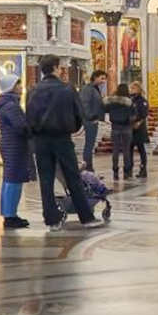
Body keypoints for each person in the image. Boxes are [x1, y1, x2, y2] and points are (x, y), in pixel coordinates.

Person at [26, 54, 104, 232]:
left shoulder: (33, 90)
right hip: (61, 137)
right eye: (60, 67)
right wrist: (71, 127)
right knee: (72, 177)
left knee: (46, 180)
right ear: (55, 67)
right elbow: (79, 115)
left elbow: (28, 115)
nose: (61, 69)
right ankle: (86, 217)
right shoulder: (67, 89)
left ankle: (52, 220)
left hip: (40, 140)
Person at [0, 74, 32, 229]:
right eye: (18, 84)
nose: (21, 87)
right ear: (12, 87)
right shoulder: (11, 105)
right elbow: (21, 127)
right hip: (14, 145)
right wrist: (32, 131)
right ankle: (10, 217)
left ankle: (9, 214)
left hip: (10, 144)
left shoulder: (7, 103)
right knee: (14, 180)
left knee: (10, 179)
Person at [104, 84, 137, 181]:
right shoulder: (129, 102)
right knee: (126, 150)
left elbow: (105, 109)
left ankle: (115, 171)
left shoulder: (111, 101)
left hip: (115, 127)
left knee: (115, 150)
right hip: (126, 127)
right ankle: (126, 172)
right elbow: (133, 114)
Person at [79, 70, 107, 172]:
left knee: (90, 145)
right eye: (102, 78)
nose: (103, 81)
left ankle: (89, 167)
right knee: (89, 145)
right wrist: (91, 116)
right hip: (90, 121)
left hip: (93, 120)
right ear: (95, 77)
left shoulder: (95, 89)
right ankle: (87, 167)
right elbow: (84, 104)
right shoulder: (88, 89)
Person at [129, 81, 151, 178]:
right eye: (131, 88)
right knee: (129, 149)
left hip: (139, 128)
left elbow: (144, 113)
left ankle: (143, 169)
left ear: (138, 89)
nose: (131, 90)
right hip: (130, 127)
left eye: (133, 88)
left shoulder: (142, 100)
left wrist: (137, 122)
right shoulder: (129, 100)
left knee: (141, 149)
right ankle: (129, 168)